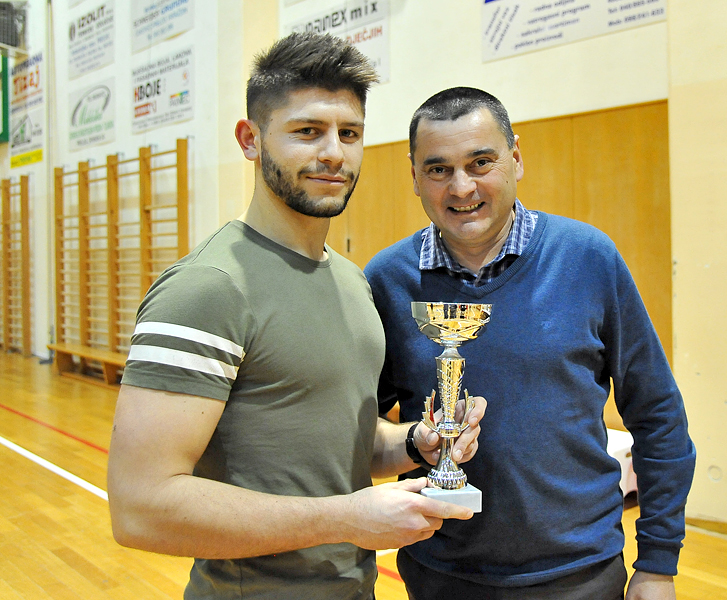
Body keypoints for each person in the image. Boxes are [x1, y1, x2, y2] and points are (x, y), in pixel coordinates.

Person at [107, 35, 484, 600]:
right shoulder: (207, 288)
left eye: (349, 133)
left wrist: (416, 442)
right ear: (250, 140)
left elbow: (332, 445)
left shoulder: (352, 282)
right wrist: (345, 518)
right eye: (308, 131)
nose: (334, 153)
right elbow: (140, 508)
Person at [363, 87, 696, 600]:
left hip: (581, 574)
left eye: (481, 162)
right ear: (413, 176)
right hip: (440, 575)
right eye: (438, 169)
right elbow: (357, 429)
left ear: (515, 158)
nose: (461, 187)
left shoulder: (588, 258)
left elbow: (658, 414)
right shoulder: (387, 280)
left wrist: (657, 564)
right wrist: (415, 441)